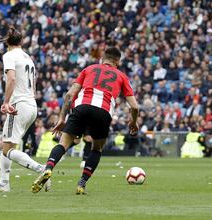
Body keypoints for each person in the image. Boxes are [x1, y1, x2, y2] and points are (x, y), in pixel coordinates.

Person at [31, 47, 139, 194]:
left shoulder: (89, 69)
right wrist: (133, 122)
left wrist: (62, 118)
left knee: (63, 143)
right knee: (96, 149)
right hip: (103, 111)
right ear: (117, 61)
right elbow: (134, 107)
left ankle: (48, 168)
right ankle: (81, 184)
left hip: (82, 106)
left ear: (103, 58)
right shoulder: (121, 76)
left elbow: (69, 95)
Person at [0, 27, 51, 192]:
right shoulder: (28, 58)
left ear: (7, 43)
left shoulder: (9, 55)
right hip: (30, 104)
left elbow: (12, 78)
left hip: (19, 105)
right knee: (6, 143)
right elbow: (34, 84)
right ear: (21, 42)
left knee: (7, 148)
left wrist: (6, 101)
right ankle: (4, 183)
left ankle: (41, 169)